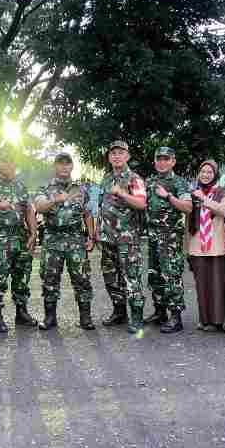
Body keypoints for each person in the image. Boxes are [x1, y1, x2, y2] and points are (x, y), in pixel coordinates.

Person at [0, 148, 38, 333]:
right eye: (4, 161)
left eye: (11, 161)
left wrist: (33, 233)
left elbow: (28, 209)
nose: (8, 164)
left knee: (22, 277)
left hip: (20, 237)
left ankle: (22, 313)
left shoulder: (20, 185)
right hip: (0, 239)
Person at [33, 153, 96, 330]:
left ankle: (85, 318)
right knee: (49, 278)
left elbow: (87, 214)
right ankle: (50, 318)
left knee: (82, 278)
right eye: (60, 164)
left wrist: (91, 237)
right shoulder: (45, 187)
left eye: (67, 164)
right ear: (55, 166)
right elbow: (39, 206)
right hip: (52, 239)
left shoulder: (81, 189)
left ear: (72, 166)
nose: (64, 167)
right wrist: (55, 199)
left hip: (75, 239)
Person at [97, 140, 148, 334]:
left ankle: (137, 318)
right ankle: (119, 312)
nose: (117, 156)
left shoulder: (134, 179)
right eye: (113, 153)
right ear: (109, 158)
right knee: (111, 277)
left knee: (131, 277)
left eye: (120, 153)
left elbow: (142, 203)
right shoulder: (106, 178)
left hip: (127, 239)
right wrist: (97, 230)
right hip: (107, 238)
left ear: (127, 156)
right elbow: (102, 206)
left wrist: (123, 194)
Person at [144, 147, 193, 333]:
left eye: (166, 159)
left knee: (171, 274)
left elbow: (187, 207)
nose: (162, 162)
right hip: (153, 236)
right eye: (159, 159)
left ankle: (175, 316)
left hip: (170, 237)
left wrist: (168, 196)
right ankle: (160, 312)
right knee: (154, 274)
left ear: (173, 161)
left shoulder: (179, 182)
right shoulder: (150, 182)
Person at [186, 160, 225, 332]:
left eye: (209, 172)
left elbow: (224, 211)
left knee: (217, 285)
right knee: (201, 285)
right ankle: (205, 320)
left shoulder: (222, 192)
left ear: (215, 175)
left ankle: (217, 320)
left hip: (216, 246)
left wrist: (204, 199)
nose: (205, 175)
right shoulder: (192, 193)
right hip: (197, 246)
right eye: (203, 171)